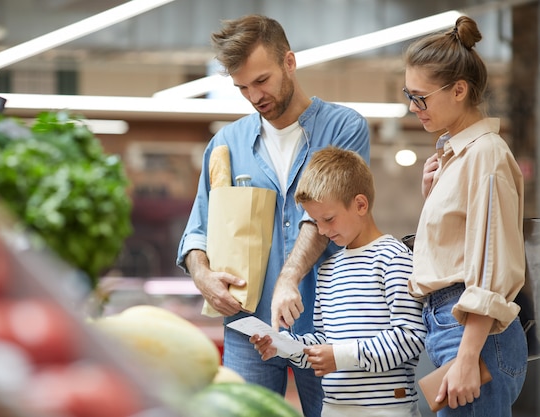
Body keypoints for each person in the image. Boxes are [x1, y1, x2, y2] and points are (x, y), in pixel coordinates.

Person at [176, 14, 370, 417]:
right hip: (249, 329)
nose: (253, 96)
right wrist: (204, 277)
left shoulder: (343, 128)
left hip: (327, 328)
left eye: (261, 81)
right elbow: (197, 231)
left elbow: (322, 217)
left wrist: (288, 278)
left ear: (289, 62)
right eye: (242, 87)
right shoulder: (227, 144)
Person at [403, 15, 527, 416]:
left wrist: (468, 356)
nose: (412, 106)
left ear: (458, 90)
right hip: (452, 326)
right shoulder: (458, 157)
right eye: (409, 93)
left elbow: (491, 264)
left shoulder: (486, 155)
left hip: (472, 332)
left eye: (420, 97)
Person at [251, 146, 427, 417]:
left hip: (388, 410)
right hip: (333, 409)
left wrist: (340, 356)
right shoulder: (328, 269)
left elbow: (410, 338)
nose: (321, 230)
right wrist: (284, 346)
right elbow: (325, 340)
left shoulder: (393, 259)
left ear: (360, 204)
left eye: (329, 219)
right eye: (315, 221)